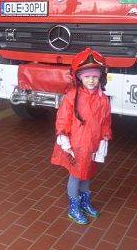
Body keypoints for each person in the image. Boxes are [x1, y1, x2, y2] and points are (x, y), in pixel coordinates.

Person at [51, 47, 112, 225]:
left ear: (100, 77)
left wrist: (105, 137)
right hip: (75, 146)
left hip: (92, 145)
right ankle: (74, 207)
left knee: (87, 174)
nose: (91, 80)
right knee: (76, 176)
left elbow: (106, 120)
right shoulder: (72, 96)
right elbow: (62, 118)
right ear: (79, 77)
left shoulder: (103, 98)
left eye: (95, 76)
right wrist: (63, 137)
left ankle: (85, 203)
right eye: (87, 76)